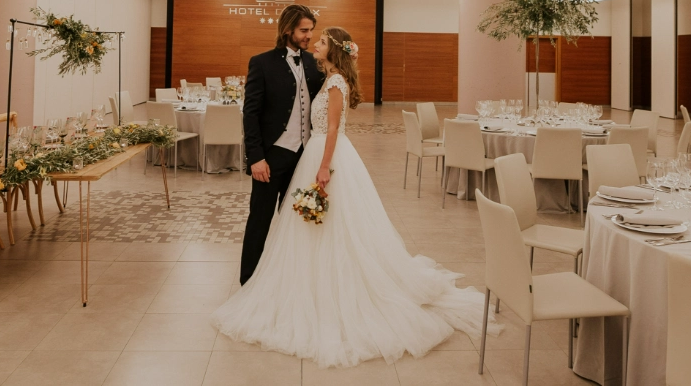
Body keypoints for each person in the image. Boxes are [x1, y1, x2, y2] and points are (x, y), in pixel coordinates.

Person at [214, 27, 501, 368]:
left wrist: (323, 168)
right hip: (311, 153)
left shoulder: (335, 83)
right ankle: (304, 284)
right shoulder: (327, 76)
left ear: (332, 49)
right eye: (311, 36)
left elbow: (333, 128)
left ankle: (333, 291)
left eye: (320, 41)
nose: (314, 44)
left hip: (325, 156)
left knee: (336, 225)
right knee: (310, 225)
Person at [239, 4, 325, 285]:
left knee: (298, 221)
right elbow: (250, 113)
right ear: (287, 29)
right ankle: (248, 280)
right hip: (272, 156)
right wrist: (256, 157)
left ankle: (291, 280)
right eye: (304, 30)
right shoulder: (261, 62)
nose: (308, 35)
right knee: (260, 220)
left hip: (304, 157)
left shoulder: (314, 63)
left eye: (311, 30)